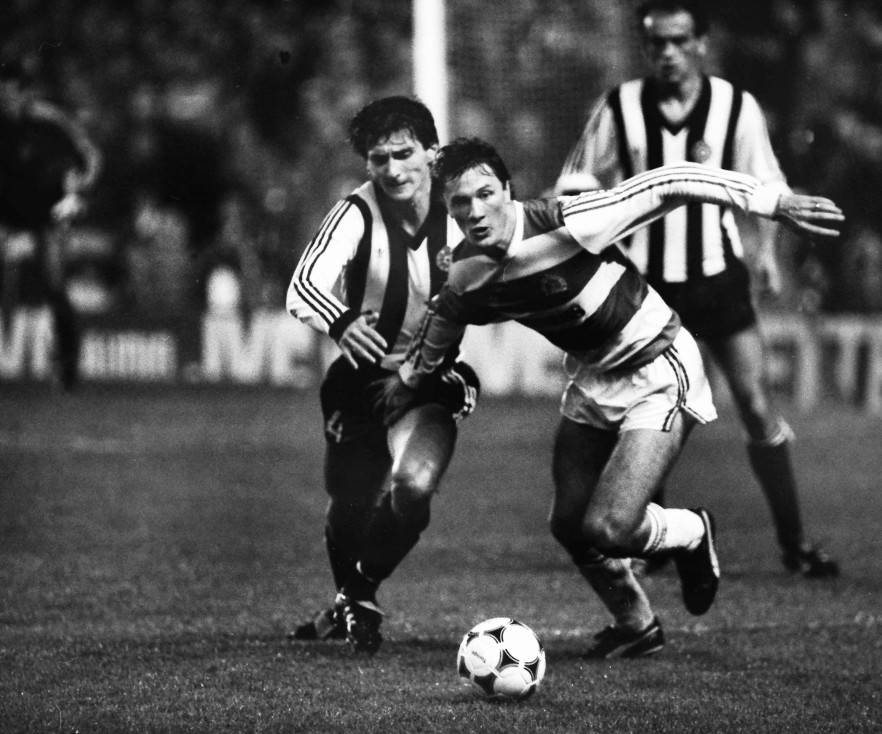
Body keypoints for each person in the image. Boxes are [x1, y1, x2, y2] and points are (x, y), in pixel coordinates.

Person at [380, 137, 843, 657]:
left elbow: (670, 180)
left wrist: (771, 202)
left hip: (659, 366)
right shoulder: (465, 272)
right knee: (568, 524)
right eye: (460, 203)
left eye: (486, 193)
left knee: (610, 526)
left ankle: (691, 531)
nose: (475, 210)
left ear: (507, 190)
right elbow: (443, 322)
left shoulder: (568, 220)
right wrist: (407, 382)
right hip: (594, 379)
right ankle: (636, 624)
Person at [558, 0, 839, 578]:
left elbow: (765, 185)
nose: (666, 53)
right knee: (639, 410)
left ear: (701, 43)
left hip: (717, 279)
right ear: (644, 48)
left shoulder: (737, 108)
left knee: (757, 406)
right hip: (646, 290)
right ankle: (650, 534)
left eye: (678, 41)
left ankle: (795, 543)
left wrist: (764, 257)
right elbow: (579, 180)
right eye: (655, 43)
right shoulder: (619, 107)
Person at [284, 97, 480, 654]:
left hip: (428, 382)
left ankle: (358, 595)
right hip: (359, 384)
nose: (392, 170)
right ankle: (349, 600)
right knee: (347, 504)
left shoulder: (463, 206)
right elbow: (303, 285)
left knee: (413, 486)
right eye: (378, 159)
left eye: (404, 154)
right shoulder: (356, 212)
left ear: (431, 153)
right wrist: (341, 321)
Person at [0, 57, 102, 390]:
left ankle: (67, 363)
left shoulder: (49, 123)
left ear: (25, 93)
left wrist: (77, 192)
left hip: (46, 213)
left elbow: (90, 158)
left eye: (11, 93)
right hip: (7, 213)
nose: (6, 100)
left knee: (55, 284)